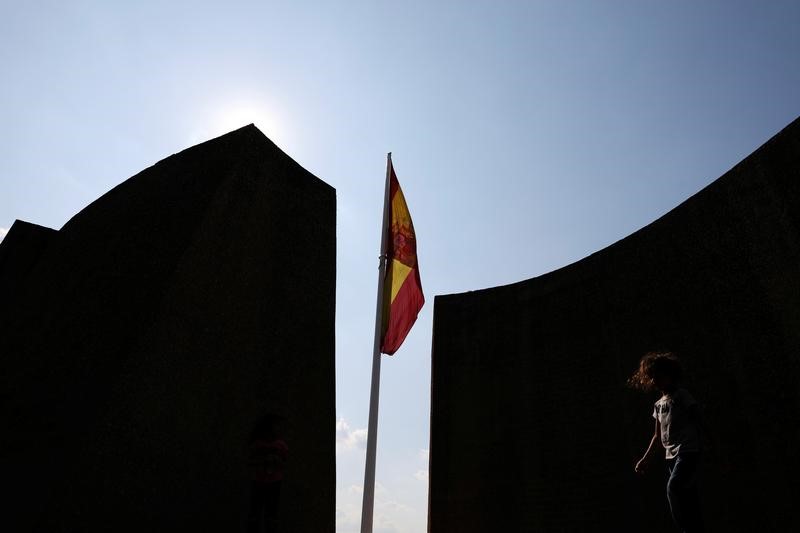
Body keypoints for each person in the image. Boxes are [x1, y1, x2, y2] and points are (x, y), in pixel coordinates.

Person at [630, 351, 704, 533]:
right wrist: (645, 459)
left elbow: (698, 419)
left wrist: (711, 445)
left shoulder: (681, 396)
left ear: (670, 375)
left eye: (659, 376)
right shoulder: (658, 404)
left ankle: (686, 530)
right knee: (687, 495)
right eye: (652, 377)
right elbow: (657, 436)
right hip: (671, 455)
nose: (655, 381)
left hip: (687, 450)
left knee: (673, 488)